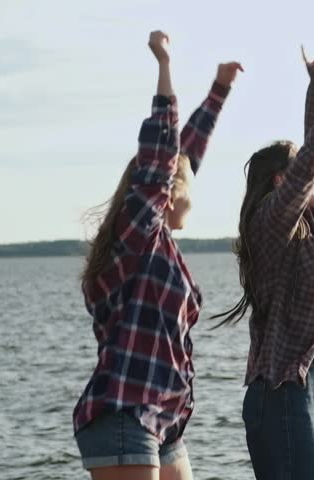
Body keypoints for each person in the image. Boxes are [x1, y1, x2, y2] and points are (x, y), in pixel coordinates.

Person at [72, 30, 241, 480]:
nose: (193, 193)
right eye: (184, 185)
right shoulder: (138, 237)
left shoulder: (155, 242)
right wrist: (164, 64)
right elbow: (165, 153)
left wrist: (219, 91)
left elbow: (184, 156)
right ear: (168, 194)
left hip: (164, 419)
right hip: (125, 412)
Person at [213, 33, 314, 479]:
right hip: (282, 391)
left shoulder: (303, 217)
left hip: (308, 384)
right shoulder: (270, 220)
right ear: (281, 180)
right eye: (303, 173)